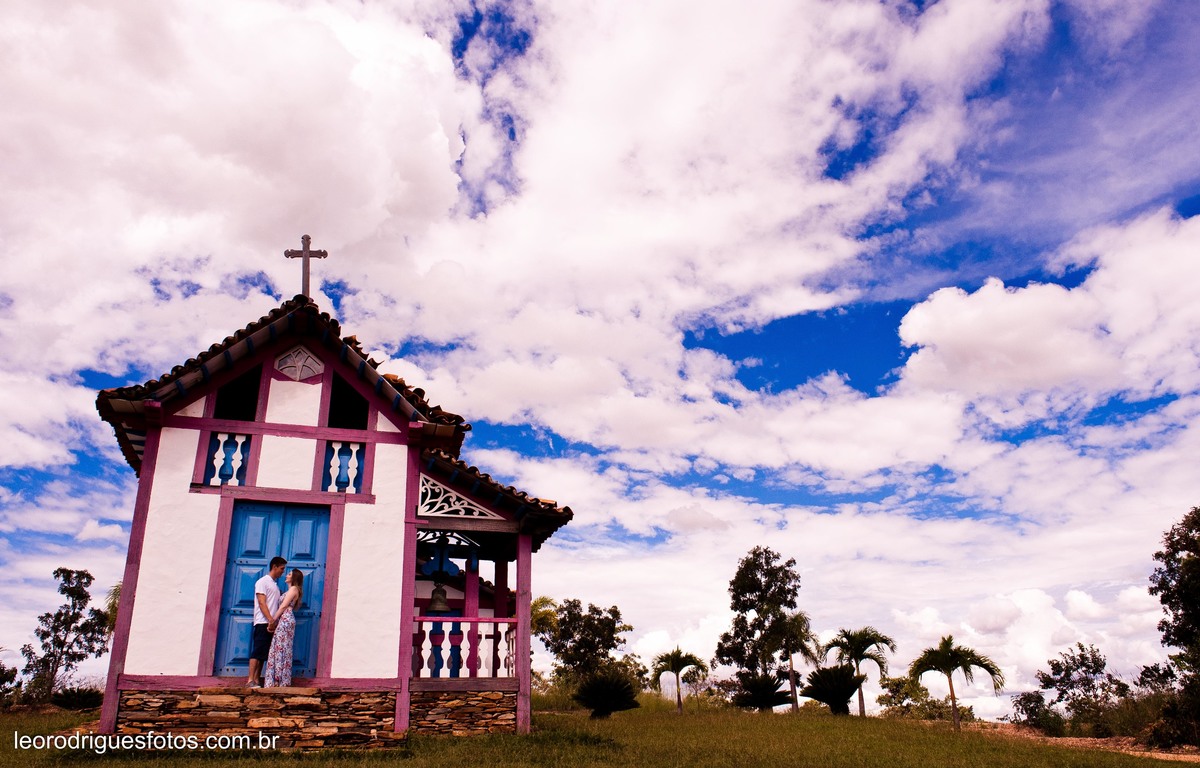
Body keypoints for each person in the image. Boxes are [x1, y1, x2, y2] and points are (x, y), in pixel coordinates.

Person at [246, 556, 286, 688]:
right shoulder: (262, 582)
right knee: (257, 650)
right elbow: (262, 602)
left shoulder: (274, 585)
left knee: (263, 653)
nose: (283, 572)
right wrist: (270, 619)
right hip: (263, 622)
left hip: (270, 623)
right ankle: (250, 679)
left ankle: (257, 680)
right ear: (274, 567)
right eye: (281, 568)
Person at [264, 569, 303, 687]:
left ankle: (280, 680)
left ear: (294, 577)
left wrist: (272, 620)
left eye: (290, 574)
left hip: (285, 620)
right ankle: (277, 679)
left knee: (282, 647)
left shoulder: (293, 589)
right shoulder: (289, 590)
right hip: (283, 620)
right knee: (279, 646)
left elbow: (284, 606)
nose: (286, 575)